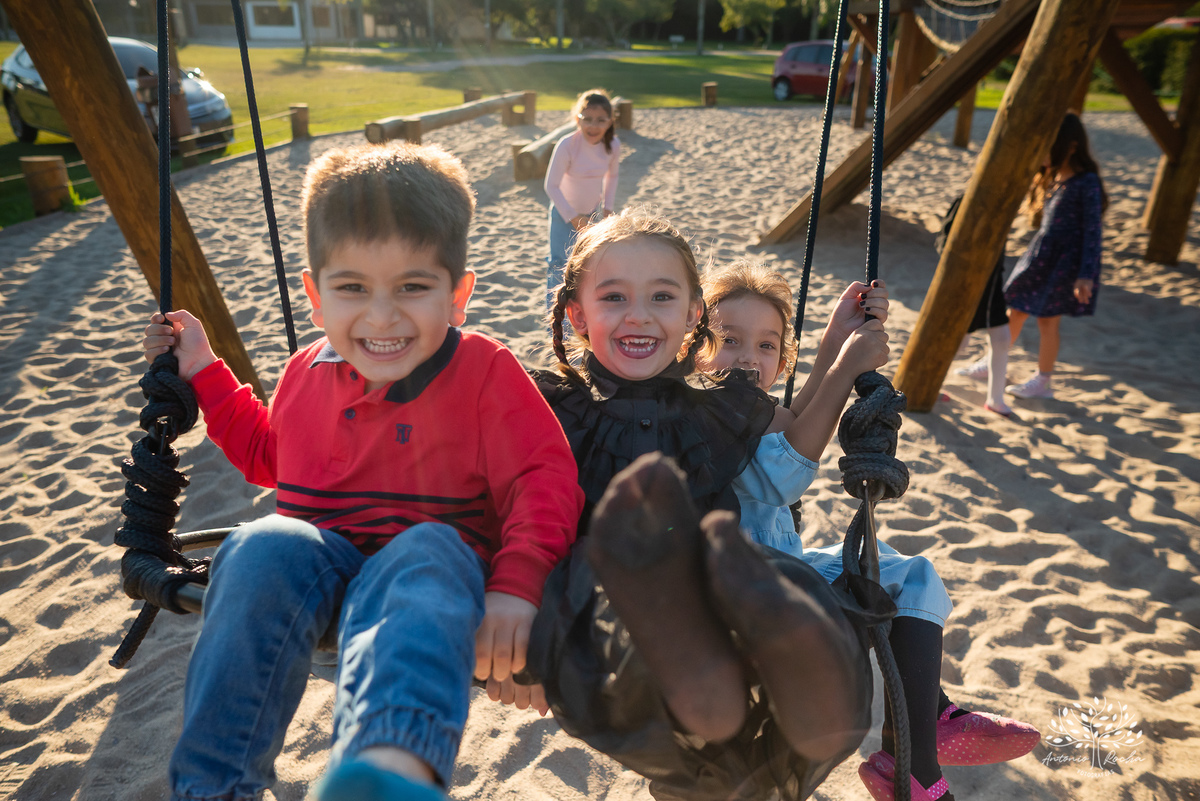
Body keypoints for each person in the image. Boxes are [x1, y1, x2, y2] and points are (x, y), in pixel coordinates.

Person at [141, 141, 584, 801]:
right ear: (316, 298)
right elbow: (269, 453)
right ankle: (213, 785)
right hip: (320, 565)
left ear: (457, 295)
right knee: (259, 541)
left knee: (428, 547)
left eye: (412, 286)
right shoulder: (304, 370)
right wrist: (204, 368)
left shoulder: (483, 371)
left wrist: (518, 586)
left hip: (430, 577)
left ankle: (386, 771)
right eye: (353, 288)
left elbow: (543, 479)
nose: (381, 316)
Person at [523, 210, 878, 801]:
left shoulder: (719, 404)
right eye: (614, 297)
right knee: (647, 652)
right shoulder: (550, 407)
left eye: (662, 296)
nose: (638, 314)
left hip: (719, 603)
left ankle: (786, 663)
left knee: (772, 574)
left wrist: (839, 351)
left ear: (693, 317)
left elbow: (791, 448)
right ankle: (728, 665)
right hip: (612, 603)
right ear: (578, 316)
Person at [701, 260, 1041, 801]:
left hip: (777, 566)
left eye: (767, 346)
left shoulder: (751, 406)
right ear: (693, 343)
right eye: (728, 339)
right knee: (887, 581)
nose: (748, 357)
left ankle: (922, 729)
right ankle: (919, 765)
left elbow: (792, 418)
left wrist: (838, 338)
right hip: (751, 588)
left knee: (912, 574)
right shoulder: (705, 408)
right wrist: (847, 367)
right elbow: (787, 473)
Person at [1003, 112, 1107, 401]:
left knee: (1048, 321)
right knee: (1014, 309)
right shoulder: (1053, 178)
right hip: (1041, 256)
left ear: (1072, 146)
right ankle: (996, 361)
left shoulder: (1087, 183)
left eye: (1051, 147)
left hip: (1065, 264)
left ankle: (1042, 380)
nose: (1044, 154)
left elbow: (1092, 234)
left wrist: (1085, 275)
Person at [543, 89, 620, 315]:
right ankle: (556, 321)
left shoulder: (613, 145)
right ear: (577, 119)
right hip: (562, 213)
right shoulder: (567, 145)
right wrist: (573, 217)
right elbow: (551, 186)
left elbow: (612, 177)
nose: (593, 126)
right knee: (558, 265)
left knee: (586, 266)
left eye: (600, 120)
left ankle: (582, 314)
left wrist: (607, 210)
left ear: (610, 121)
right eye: (587, 119)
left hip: (592, 213)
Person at [939, 196, 1013, 418]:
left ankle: (995, 399)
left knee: (1001, 339)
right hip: (968, 283)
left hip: (992, 282)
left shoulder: (1006, 199)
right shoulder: (970, 198)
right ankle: (929, 387)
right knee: (959, 342)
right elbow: (944, 241)